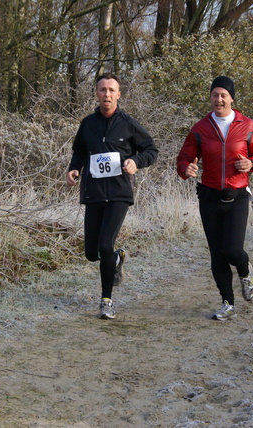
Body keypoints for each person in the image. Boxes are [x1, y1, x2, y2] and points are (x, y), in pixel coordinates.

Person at [67, 72, 158, 320]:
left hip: (118, 194)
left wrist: (135, 161)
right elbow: (79, 151)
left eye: (111, 90)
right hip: (94, 193)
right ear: (96, 94)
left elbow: (151, 149)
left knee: (105, 244)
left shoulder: (128, 123)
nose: (106, 94)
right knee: (91, 253)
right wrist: (74, 168)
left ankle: (106, 301)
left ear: (119, 94)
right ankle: (117, 258)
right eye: (102, 90)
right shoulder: (88, 124)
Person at [176, 76, 253, 321]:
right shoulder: (200, 128)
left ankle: (245, 272)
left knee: (233, 250)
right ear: (211, 98)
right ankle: (228, 303)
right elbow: (184, 158)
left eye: (223, 95)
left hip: (237, 196)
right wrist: (187, 169)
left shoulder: (248, 126)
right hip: (209, 197)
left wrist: (251, 163)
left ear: (231, 98)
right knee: (217, 254)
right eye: (215, 95)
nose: (219, 99)